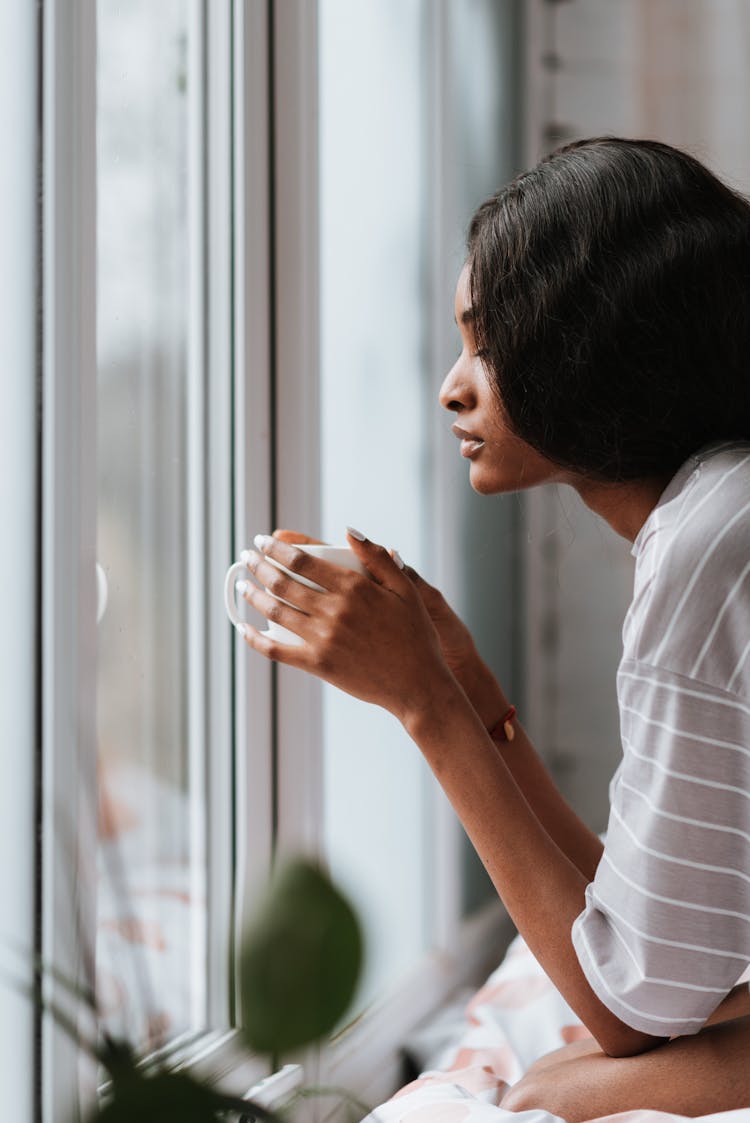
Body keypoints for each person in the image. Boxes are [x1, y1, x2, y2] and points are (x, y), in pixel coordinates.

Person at [236, 137, 750, 1120]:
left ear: (590, 342)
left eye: (485, 342)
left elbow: (634, 1003)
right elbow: (652, 935)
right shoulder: (720, 510)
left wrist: (426, 703)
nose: (451, 387)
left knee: (539, 1094)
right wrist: (467, 685)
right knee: (551, 1083)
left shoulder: (711, 549)